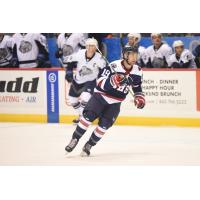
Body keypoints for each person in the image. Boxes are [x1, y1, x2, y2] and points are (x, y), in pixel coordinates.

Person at [65, 46, 145, 156]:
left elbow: (137, 87)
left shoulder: (138, 71)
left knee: (104, 126)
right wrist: (113, 81)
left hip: (115, 102)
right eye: (131, 54)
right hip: (100, 96)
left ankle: (89, 145)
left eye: (136, 55)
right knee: (87, 118)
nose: (134, 57)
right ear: (125, 55)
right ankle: (75, 139)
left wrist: (139, 97)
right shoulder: (114, 66)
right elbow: (100, 82)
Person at [65, 38, 106, 124]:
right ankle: (82, 116)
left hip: (90, 81)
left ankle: (83, 118)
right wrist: (69, 73)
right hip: (78, 80)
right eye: (89, 46)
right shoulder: (80, 53)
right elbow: (70, 62)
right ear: (86, 46)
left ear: (96, 47)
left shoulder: (99, 58)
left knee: (85, 98)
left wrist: (101, 80)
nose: (91, 48)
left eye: (94, 46)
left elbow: (103, 70)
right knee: (72, 100)